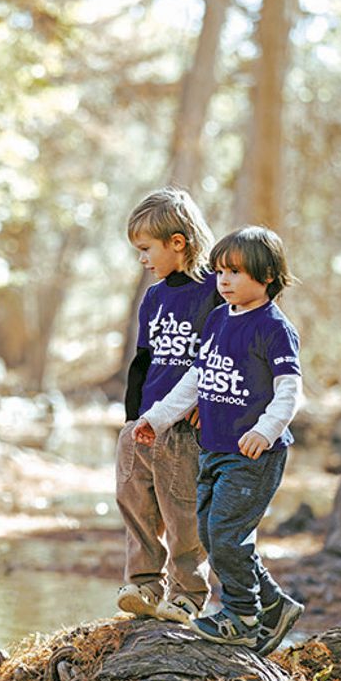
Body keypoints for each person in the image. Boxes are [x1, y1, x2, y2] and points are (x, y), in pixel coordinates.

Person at [132, 225, 304, 656]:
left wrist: (264, 431)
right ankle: (274, 605)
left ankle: (242, 619)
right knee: (214, 535)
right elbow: (195, 379)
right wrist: (158, 417)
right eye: (220, 272)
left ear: (266, 278)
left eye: (235, 274)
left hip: (253, 455)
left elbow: (289, 390)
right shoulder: (217, 320)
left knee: (227, 534)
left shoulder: (273, 328)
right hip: (214, 449)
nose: (223, 281)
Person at [114, 186, 221, 624]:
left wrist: (211, 404)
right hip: (146, 422)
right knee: (134, 498)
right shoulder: (154, 297)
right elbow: (143, 360)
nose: (142, 259)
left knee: (182, 511)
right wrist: (131, 419)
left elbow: (232, 348)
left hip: (187, 427)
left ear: (178, 243)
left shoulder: (217, 289)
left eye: (146, 249)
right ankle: (142, 584)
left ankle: (188, 594)